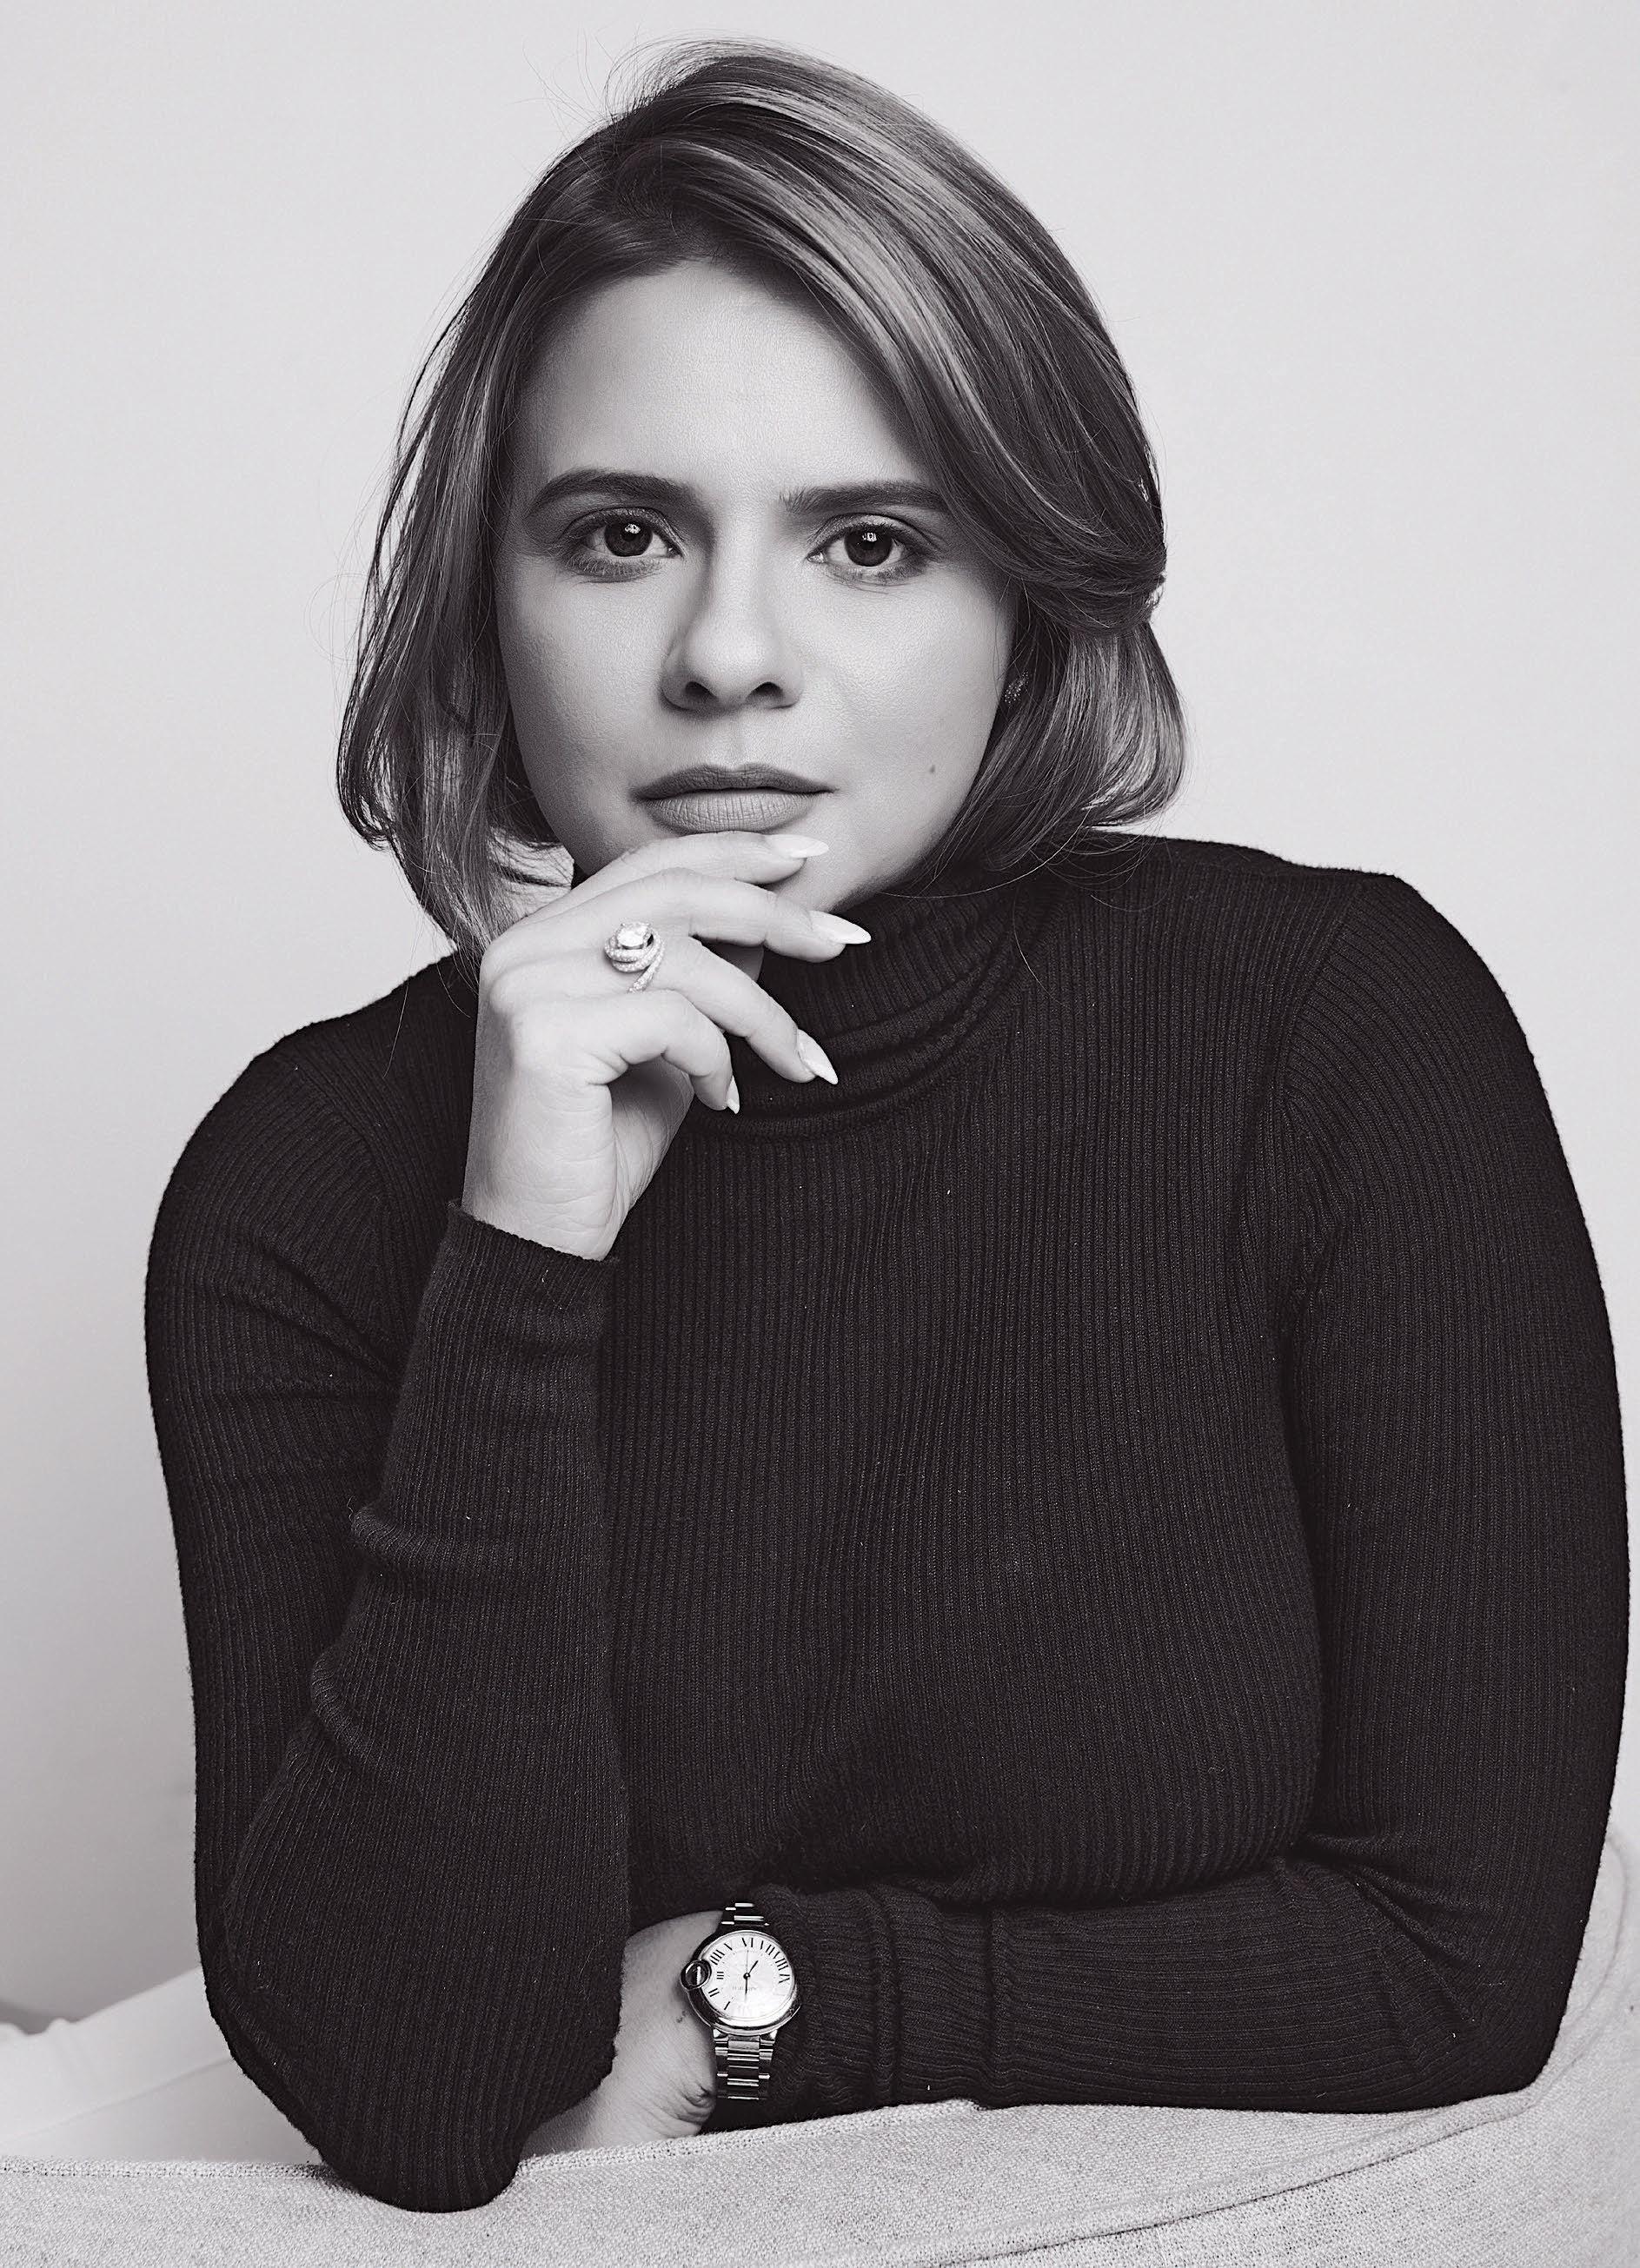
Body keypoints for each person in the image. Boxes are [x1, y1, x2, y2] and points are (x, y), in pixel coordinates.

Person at [3, 35, 1628, 2226]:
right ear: (484, 596)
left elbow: (1456, 1964)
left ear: (1024, 594)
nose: (729, 656)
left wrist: (754, 2003)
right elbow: (418, 2098)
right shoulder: (304, 1183)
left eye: (867, 542)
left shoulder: (1330, 1035)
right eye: (619, 536)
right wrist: (518, 1255)